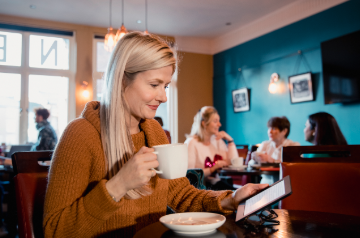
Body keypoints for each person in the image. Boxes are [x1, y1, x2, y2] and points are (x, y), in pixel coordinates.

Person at [43, 32, 268, 237]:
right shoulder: (81, 134)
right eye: (154, 84)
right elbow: (54, 231)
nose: (163, 97)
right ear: (122, 79)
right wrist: (118, 185)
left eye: (166, 86)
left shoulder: (153, 130)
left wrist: (230, 199)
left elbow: (181, 195)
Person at [184, 106, 238, 190]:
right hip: (199, 188)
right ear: (204, 123)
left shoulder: (217, 141)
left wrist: (230, 141)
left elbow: (234, 163)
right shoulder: (191, 143)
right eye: (215, 121)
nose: (219, 124)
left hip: (215, 184)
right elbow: (189, 175)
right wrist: (213, 168)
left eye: (219, 121)